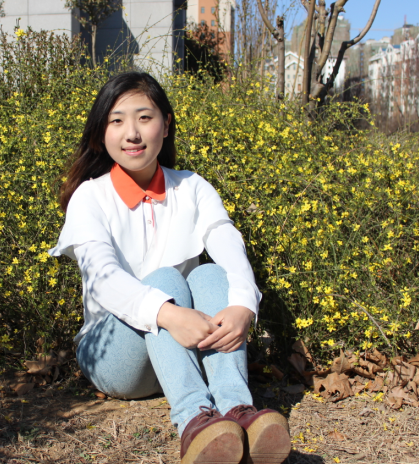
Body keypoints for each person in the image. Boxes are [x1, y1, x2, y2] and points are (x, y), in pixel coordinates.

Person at [49, 72, 290, 464]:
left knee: (211, 274)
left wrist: (244, 305)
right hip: (114, 357)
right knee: (164, 280)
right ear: (101, 133)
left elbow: (226, 240)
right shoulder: (90, 197)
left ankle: (236, 410)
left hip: (180, 352)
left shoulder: (191, 187)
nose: (132, 133)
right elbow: (103, 278)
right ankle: (194, 420)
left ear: (166, 124)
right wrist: (169, 313)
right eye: (116, 120)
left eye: (144, 117)